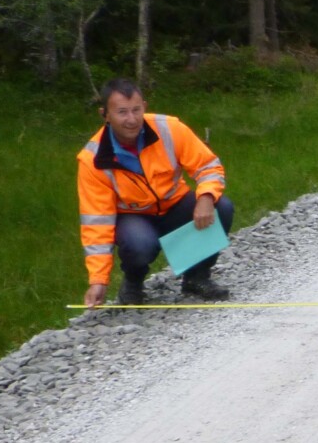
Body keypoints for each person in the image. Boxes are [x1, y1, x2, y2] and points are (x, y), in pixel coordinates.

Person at [78, 78, 234, 308]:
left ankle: (196, 277)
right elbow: (96, 221)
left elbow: (208, 166)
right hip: (134, 217)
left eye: (136, 110)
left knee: (222, 207)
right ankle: (133, 283)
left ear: (145, 106)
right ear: (105, 115)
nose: (131, 120)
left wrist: (206, 197)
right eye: (122, 112)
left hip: (174, 204)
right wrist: (98, 280)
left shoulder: (169, 128)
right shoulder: (92, 159)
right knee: (139, 243)